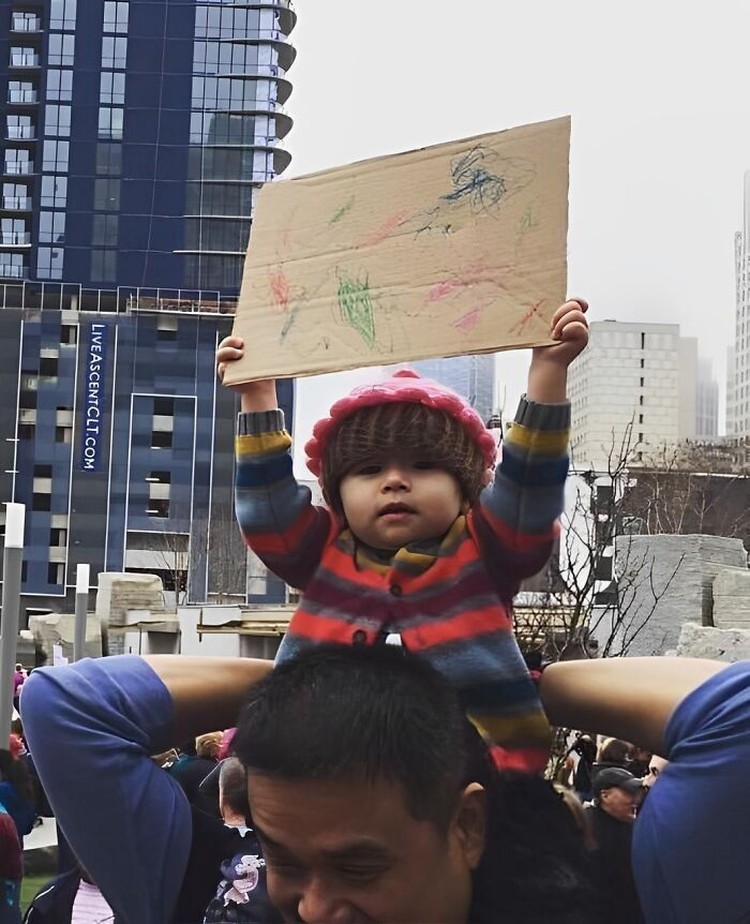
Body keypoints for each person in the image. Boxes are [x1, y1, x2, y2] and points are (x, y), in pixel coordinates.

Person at [18, 644, 750, 924]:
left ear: (467, 828)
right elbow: (62, 706)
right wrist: (318, 681)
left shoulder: (617, 897)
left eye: (359, 865)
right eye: (284, 859)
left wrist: (512, 685)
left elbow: (736, 714)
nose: (313, 907)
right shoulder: (207, 894)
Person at [216, 298, 589, 771]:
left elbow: (528, 488)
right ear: (337, 494)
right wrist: (258, 396)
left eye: (424, 464)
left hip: (470, 776)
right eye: (369, 469)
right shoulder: (324, 549)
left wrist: (548, 373)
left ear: (466, 489)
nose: (395, 480)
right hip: (320, 768)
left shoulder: (485, 544)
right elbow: (266, 510)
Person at [583, 767, 645, 924]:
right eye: (628, 793)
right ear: (605, 795)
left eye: (636, 793)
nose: (635, 799)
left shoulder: (634, 827)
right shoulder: (585, 829)